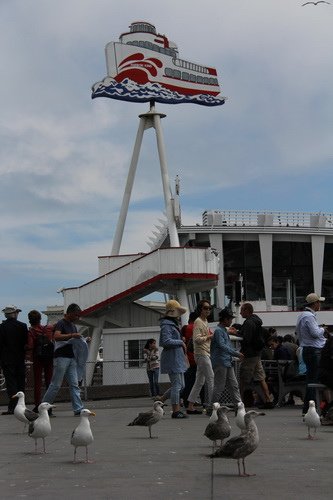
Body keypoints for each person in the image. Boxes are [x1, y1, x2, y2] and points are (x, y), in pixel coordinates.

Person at [42, 303, 89, 416]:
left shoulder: (72, 325)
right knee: (56, 384)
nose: (77, 317)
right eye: (76, 315)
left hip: (70, 357)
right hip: (61, 357)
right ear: (71, 313)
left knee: (74, 384)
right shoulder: (61, 323)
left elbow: (70, 339)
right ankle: (43, 407)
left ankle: (78, 409)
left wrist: (84, 339)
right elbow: (56, 337)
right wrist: (72, 335)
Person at [295, 293, 327, 415]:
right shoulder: (309, 316)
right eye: (319, 302)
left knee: (311, 380)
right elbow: (314, 333)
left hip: (308, 349)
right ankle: (310, 409)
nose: (320, 304)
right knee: (314, 381)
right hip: (314, 350)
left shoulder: (302, 316)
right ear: (314, 303)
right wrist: (323, 329)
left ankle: (307, 409)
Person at [238, 302, 273, 409]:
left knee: (243, 378)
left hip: (250, 354)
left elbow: (246, 339)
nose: (240, 312)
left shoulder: (248, 323)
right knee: (261, 377)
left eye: (242, 310)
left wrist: (237, 335)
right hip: (257, 353)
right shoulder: (257, 321)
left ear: (247, 311)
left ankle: (240, 402)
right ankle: (268, 400)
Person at [159, 299, 188, 419]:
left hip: (176, 358)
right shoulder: (167, 325)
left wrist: (180, 342)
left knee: (180, 385)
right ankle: (176, 410)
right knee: (178, 385)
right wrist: (180, 341)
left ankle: (161, 400)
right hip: (173, 359)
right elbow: (165, 341)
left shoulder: (169, 324)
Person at [209, 308, 244, 410]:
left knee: (233, 385)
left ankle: (239, 407)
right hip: (221, 362)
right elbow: (222, 345)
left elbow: (224, 346)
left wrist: (234, 355)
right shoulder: (219, 331)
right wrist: (236, 354)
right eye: (229, 319)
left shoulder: (222, 330)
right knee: (220, 386)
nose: (231, 321)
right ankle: (212, 408)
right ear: (224, 319)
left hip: (226, 361)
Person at [186, 299, 214, 415]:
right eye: (205, 308)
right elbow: (197, 339)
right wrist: (209, 337)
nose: (208, 310)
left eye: (209, 308)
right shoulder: (198, 321)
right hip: (202, 353)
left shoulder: (205, 321)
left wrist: (208, 336)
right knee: (211, 379)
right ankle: (213, 406)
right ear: (200, 309)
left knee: (200, 381)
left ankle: (190, 406)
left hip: (203, 353)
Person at [0, 305, 29, 415]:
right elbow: (25, 343)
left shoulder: (1, 327)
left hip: (7, 360)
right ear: (15, 313)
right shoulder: (22, 326)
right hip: (20, 358)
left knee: (11, 383)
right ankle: (21, 406)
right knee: (21, 383)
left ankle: (12, 407)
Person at [26, 310, 54, 413]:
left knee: (37, 383)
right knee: (49, 382)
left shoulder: (31, 331)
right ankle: (49, 406)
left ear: (30, 320)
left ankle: (38, 405)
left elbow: (30, 346)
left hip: (38, 358)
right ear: (40, 319)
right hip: (49, 358)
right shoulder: (47, 329)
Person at [318, 333, 333, 424]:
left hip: (325, 373)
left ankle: (328, 411)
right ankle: (329, 412)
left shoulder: (329, 342)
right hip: (328, 373)